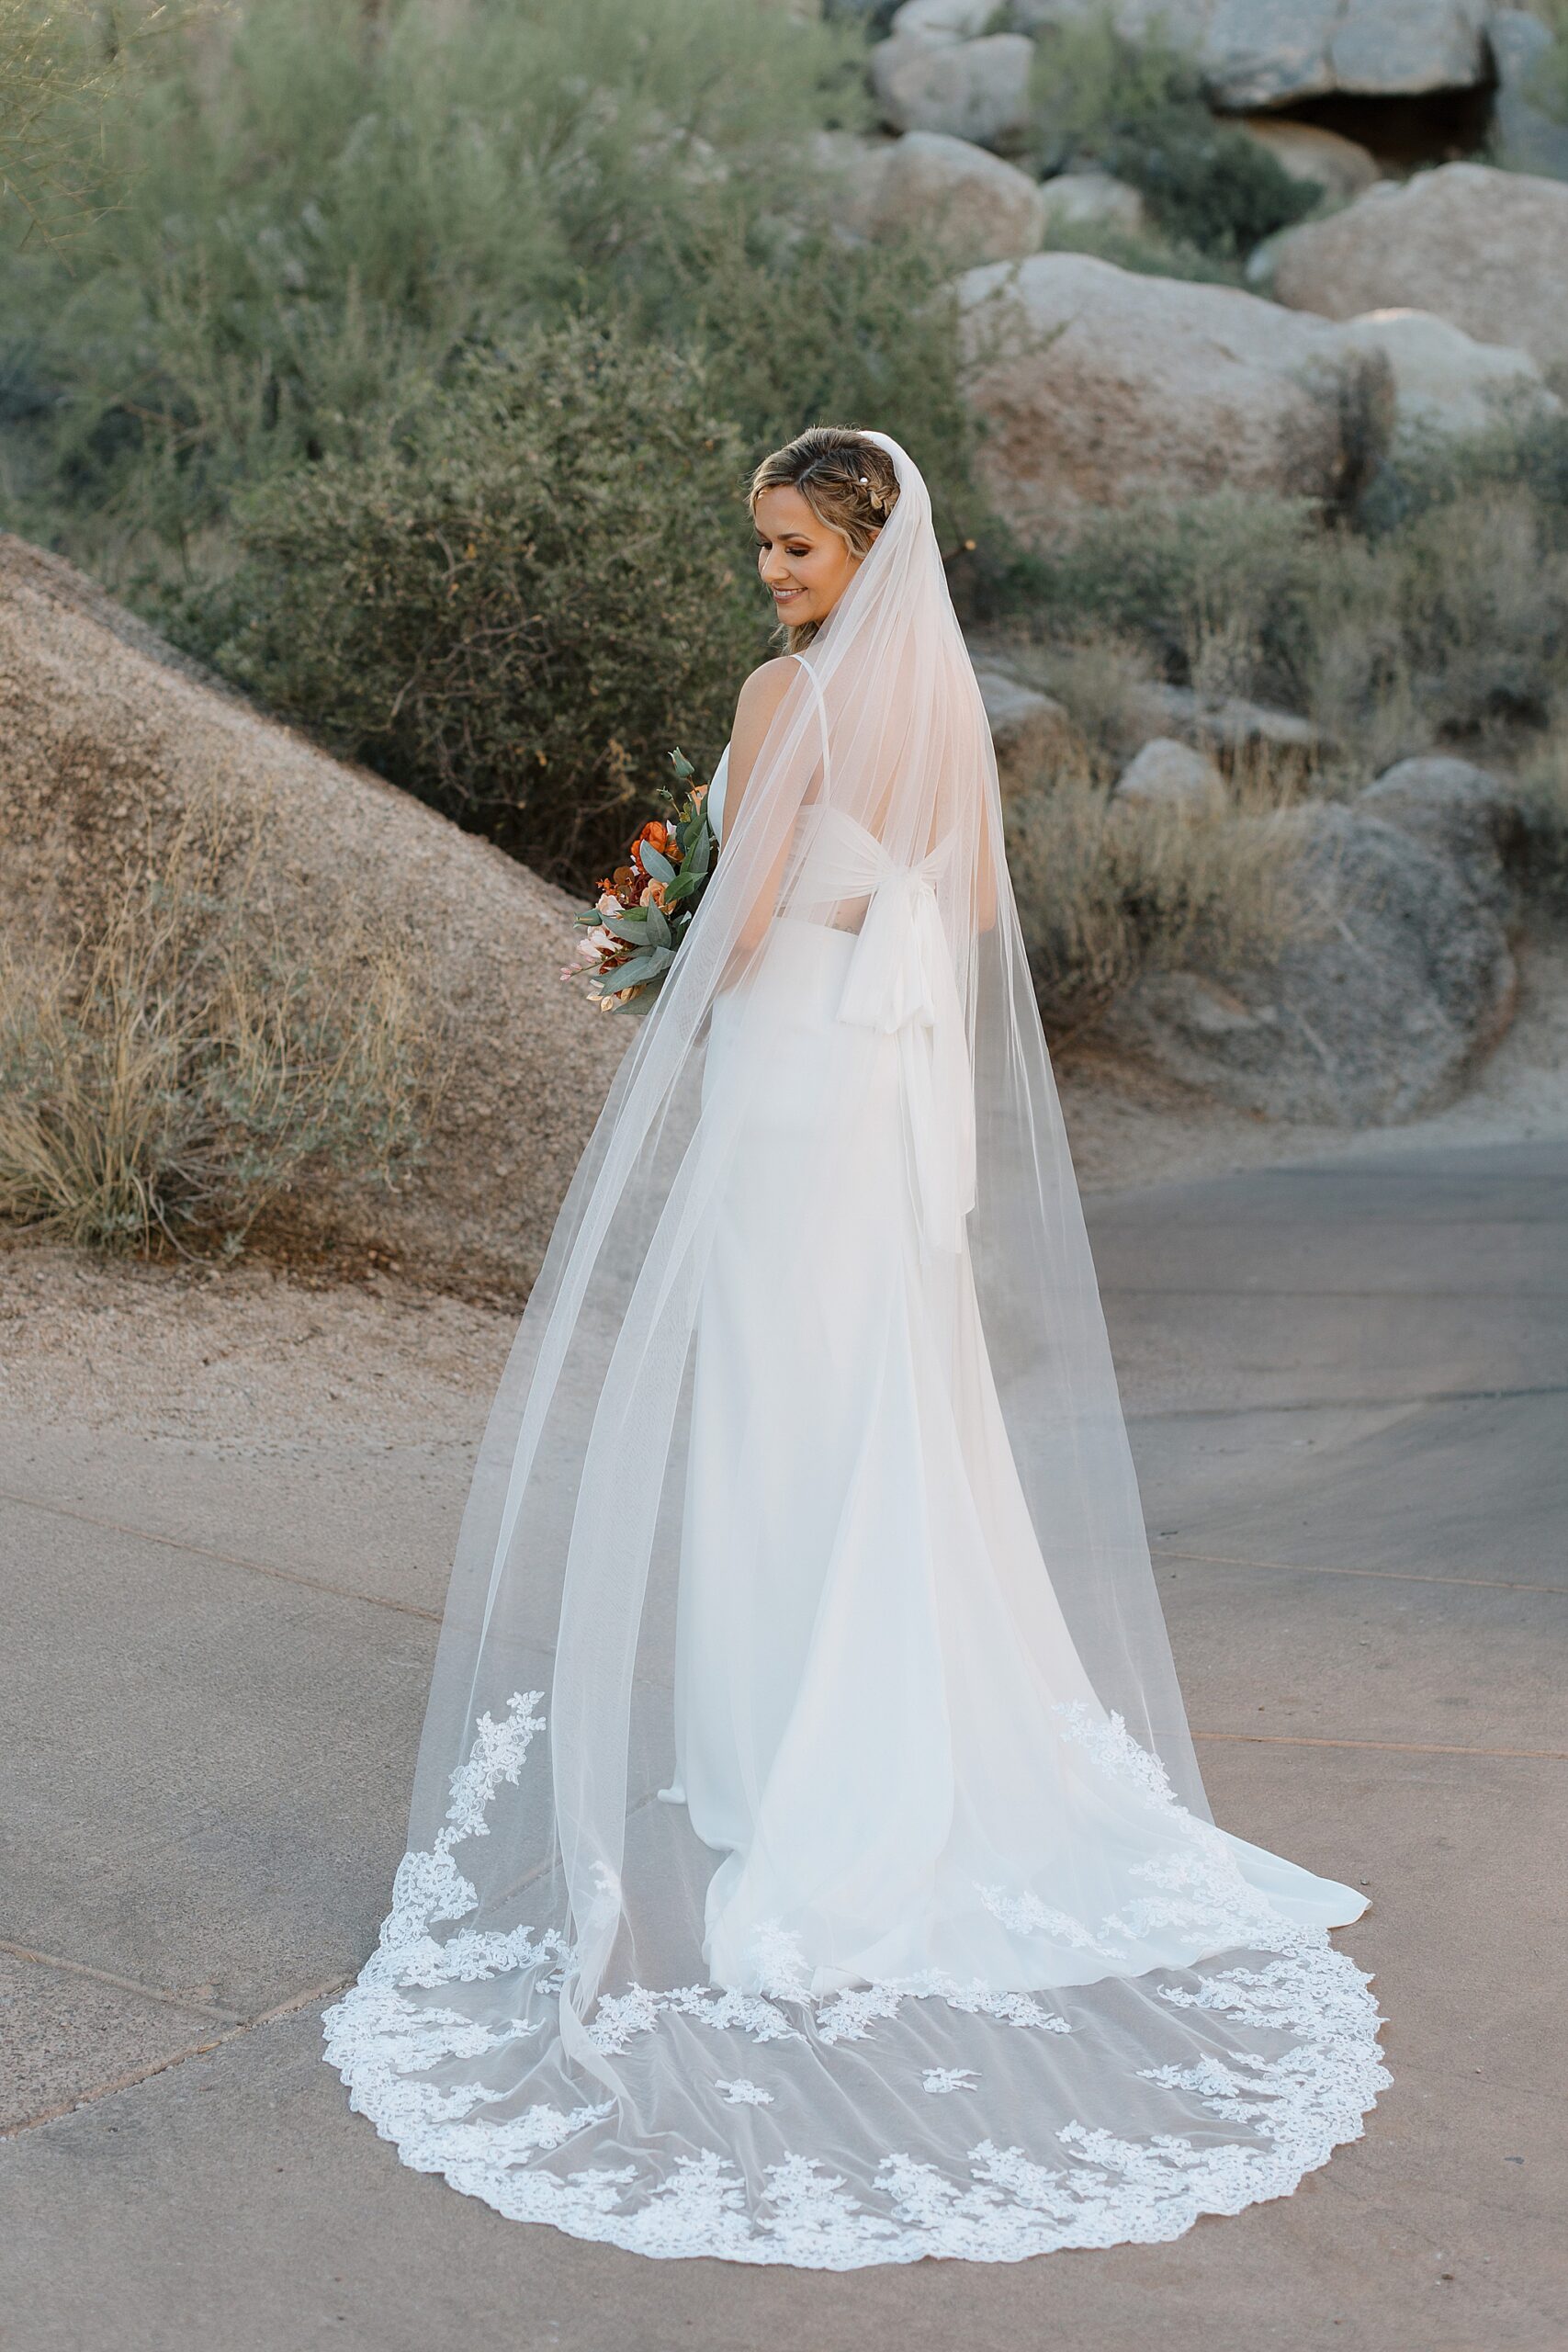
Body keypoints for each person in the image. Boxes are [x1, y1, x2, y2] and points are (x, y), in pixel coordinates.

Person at [324, 425, 1387, 2266]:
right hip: (872, 1098)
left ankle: (761, 1774)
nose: (769, 578)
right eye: (760, 551)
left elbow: (733, 928)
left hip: (791, 1086)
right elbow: (965, 911)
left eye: (794, 549)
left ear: (858, 547)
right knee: (871, 1404)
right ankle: (865, 1743)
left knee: (762, 1412)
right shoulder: (945, 707)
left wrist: (649, 952)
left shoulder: (786, 698)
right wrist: (790, 916)